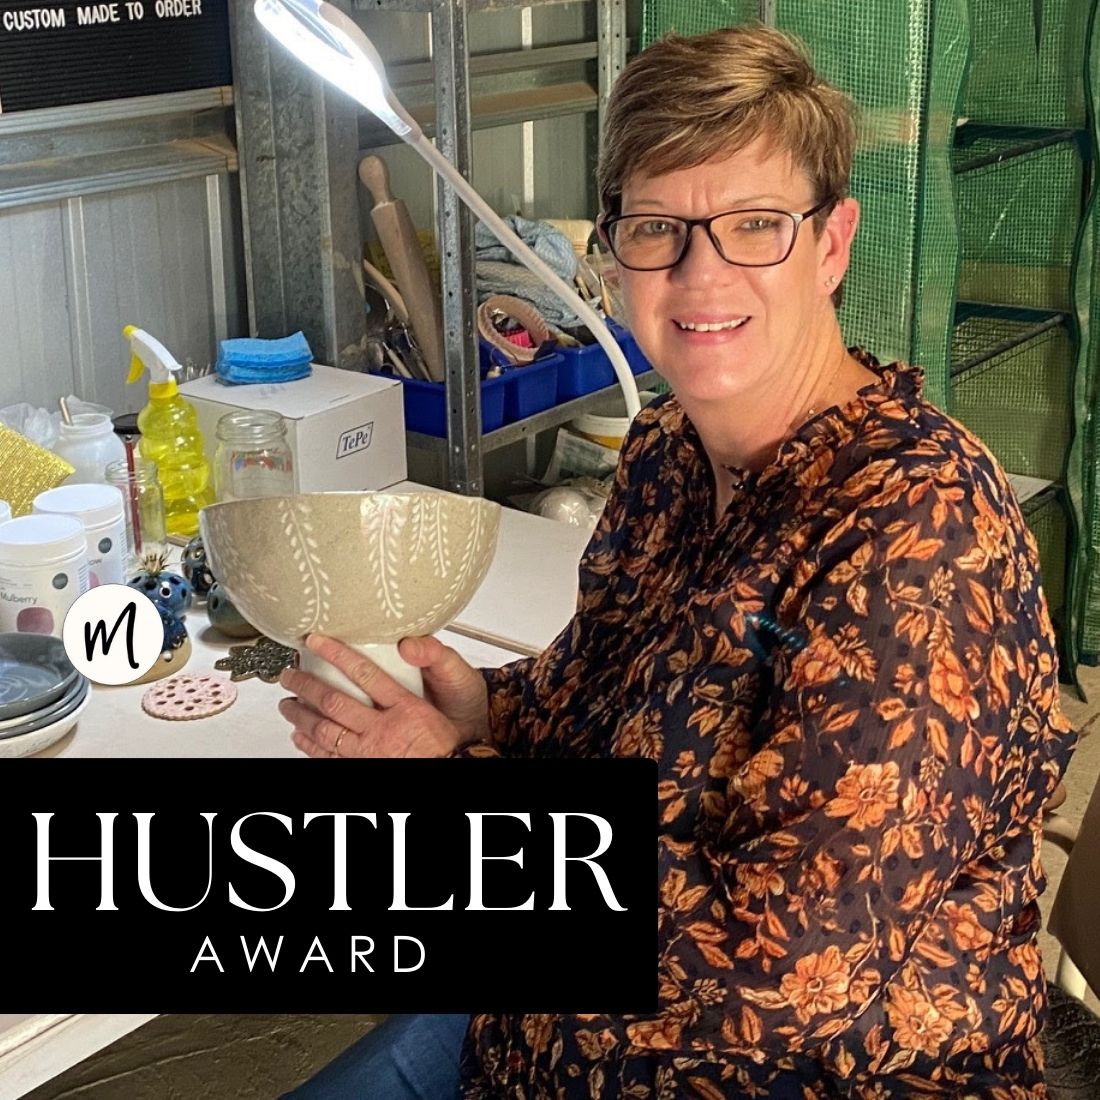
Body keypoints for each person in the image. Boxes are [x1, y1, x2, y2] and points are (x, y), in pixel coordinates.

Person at [279, 23, 1077, 1100]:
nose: (701, 274)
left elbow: (780, 973)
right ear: (614, 253)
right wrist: (488, 709)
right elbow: (605, 703)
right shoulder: (667, 451)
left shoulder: (918, 532)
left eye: (755, 226)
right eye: (658, 227)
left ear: (831, 244)